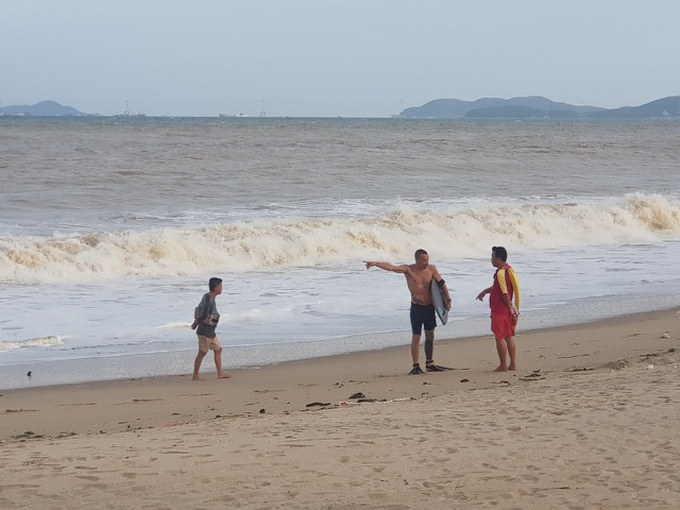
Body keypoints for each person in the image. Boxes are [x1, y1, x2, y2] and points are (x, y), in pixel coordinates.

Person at [364, 249, 452, 375]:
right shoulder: (409, 270)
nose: (426, 262)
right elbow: (392, 268)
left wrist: (448, 300)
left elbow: (442, 284)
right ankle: (416, 366)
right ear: (417, 260)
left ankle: (430, 364)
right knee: (416, 336)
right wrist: (376, 263)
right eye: (424, 260)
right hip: (417, 308)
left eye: (427, 259)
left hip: (429, 307)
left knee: (430, 334)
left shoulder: (431, 269)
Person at [476, 246, 521, 372]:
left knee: (499, 337)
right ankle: (512, 364)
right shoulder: (509, 270)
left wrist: (509, 307)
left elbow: (504, 292)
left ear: (499, 258)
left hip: (500, 310)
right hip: (506, 310)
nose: (491, 260)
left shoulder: (501, 273)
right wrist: (485, 291)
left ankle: (503, 365)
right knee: (508, 336)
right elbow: (498, 288)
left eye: (492, 257)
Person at [191, 277, 231, 380]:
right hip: (205, 331)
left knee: (218, 350)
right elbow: (203, 314)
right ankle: (195, 375)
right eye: (220, 286)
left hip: (211, 331)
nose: (222, 288)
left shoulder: (211, 298)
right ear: (215, 287)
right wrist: (195, 324)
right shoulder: (208, 298)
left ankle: (220, 374)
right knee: (202, 352)